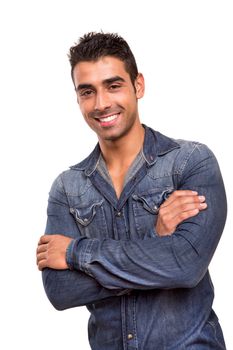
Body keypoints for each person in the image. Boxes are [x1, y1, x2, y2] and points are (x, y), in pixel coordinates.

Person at [36, 32, 227, 349]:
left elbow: (185, 265)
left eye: (113, 85)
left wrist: (74, 253)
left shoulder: (191, 163)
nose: (101, 104)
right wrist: (155, 247)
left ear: (138, 85)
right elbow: (60, 290)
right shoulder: (67, 188)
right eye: (87, 92)